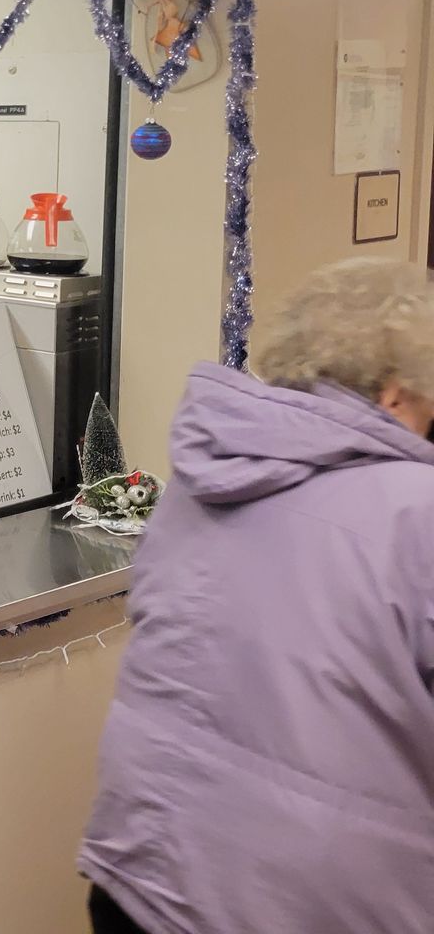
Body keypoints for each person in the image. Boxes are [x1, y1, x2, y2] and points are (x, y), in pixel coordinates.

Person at [79, 258, 434, 934]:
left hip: (143, 876)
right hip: (308, 902)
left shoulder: (204, 478)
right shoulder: (417, 514)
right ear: (393, 396)